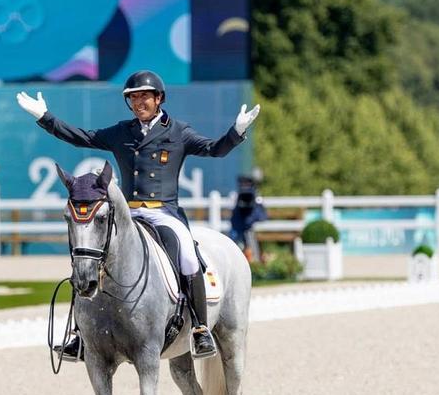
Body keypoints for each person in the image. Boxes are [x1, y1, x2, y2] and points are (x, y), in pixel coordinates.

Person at [17, 70, 259, 361]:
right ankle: (79, 334)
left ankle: (199, 328)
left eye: (144, 96)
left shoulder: (178, 132)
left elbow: (213, 149)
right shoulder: (122, 132)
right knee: (89, 257)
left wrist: (236, 132)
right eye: (133, 98)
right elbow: (83, 138)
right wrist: (45, 117)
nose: (138, 102)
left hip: (163, 213)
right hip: (128, 214)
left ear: (159, 99)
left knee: (187, 255)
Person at [230, 174, 267, 261]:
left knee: (253, 253)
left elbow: (262, 216)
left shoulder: (256, 197)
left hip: (250, 229)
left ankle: (254, 262)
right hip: (237, 229)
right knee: (236, 251)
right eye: (243, 183)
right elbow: (233, 215)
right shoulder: (236, 196)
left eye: (247, 183)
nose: (245, 186)